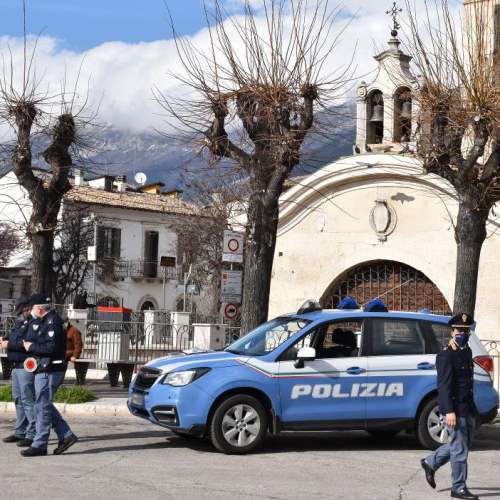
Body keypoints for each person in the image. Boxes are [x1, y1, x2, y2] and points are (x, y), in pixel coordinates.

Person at [420, 313, 479, 500]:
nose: (463, 333)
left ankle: (431, 462)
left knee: (461, 445)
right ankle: (458, 487)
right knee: (460, 450)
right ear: (452, 331)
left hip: (467, 407)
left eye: (466, 330)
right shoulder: (446, 355)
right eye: (459, 330)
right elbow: (444, 386)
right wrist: (448, 411)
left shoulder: (466, 351)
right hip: (455, 409)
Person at [20, 293, 78, 457]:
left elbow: (51, 348)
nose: (31, 311)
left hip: (51, 369)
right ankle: (66, 435)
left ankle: (40, 444)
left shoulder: (52, 322)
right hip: (46, 368)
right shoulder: (46, 321)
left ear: (38, 308)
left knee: (43, 406)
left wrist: (31, 347)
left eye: (32, 308)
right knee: (42, 404)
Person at [1, 298, 36, 447]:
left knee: (28, 401)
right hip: (16, 366)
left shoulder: (33, 324)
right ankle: (20, 431)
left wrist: (9, 344)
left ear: (28, 309)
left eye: (22, 312)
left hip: (25, 365)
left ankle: (33, 433)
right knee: (18, 400)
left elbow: (27, 344)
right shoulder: (20, 323)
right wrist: (6, 339)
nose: (21, 314)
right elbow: (15, 338)